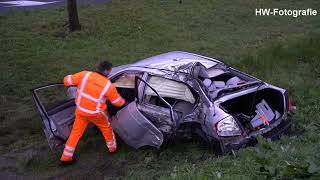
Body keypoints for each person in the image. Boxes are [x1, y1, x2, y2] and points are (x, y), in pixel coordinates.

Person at [60, 61, 126, 165]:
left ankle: (66, 157)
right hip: (97, 114)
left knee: (75, 133)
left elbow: (66, 81)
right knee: (106, 128)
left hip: (81, 111)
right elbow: (117, 102)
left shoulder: (84, 75)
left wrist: (70, 78)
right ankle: (112, 149)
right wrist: (124, 102)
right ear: (106, 71)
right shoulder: (107, 85)